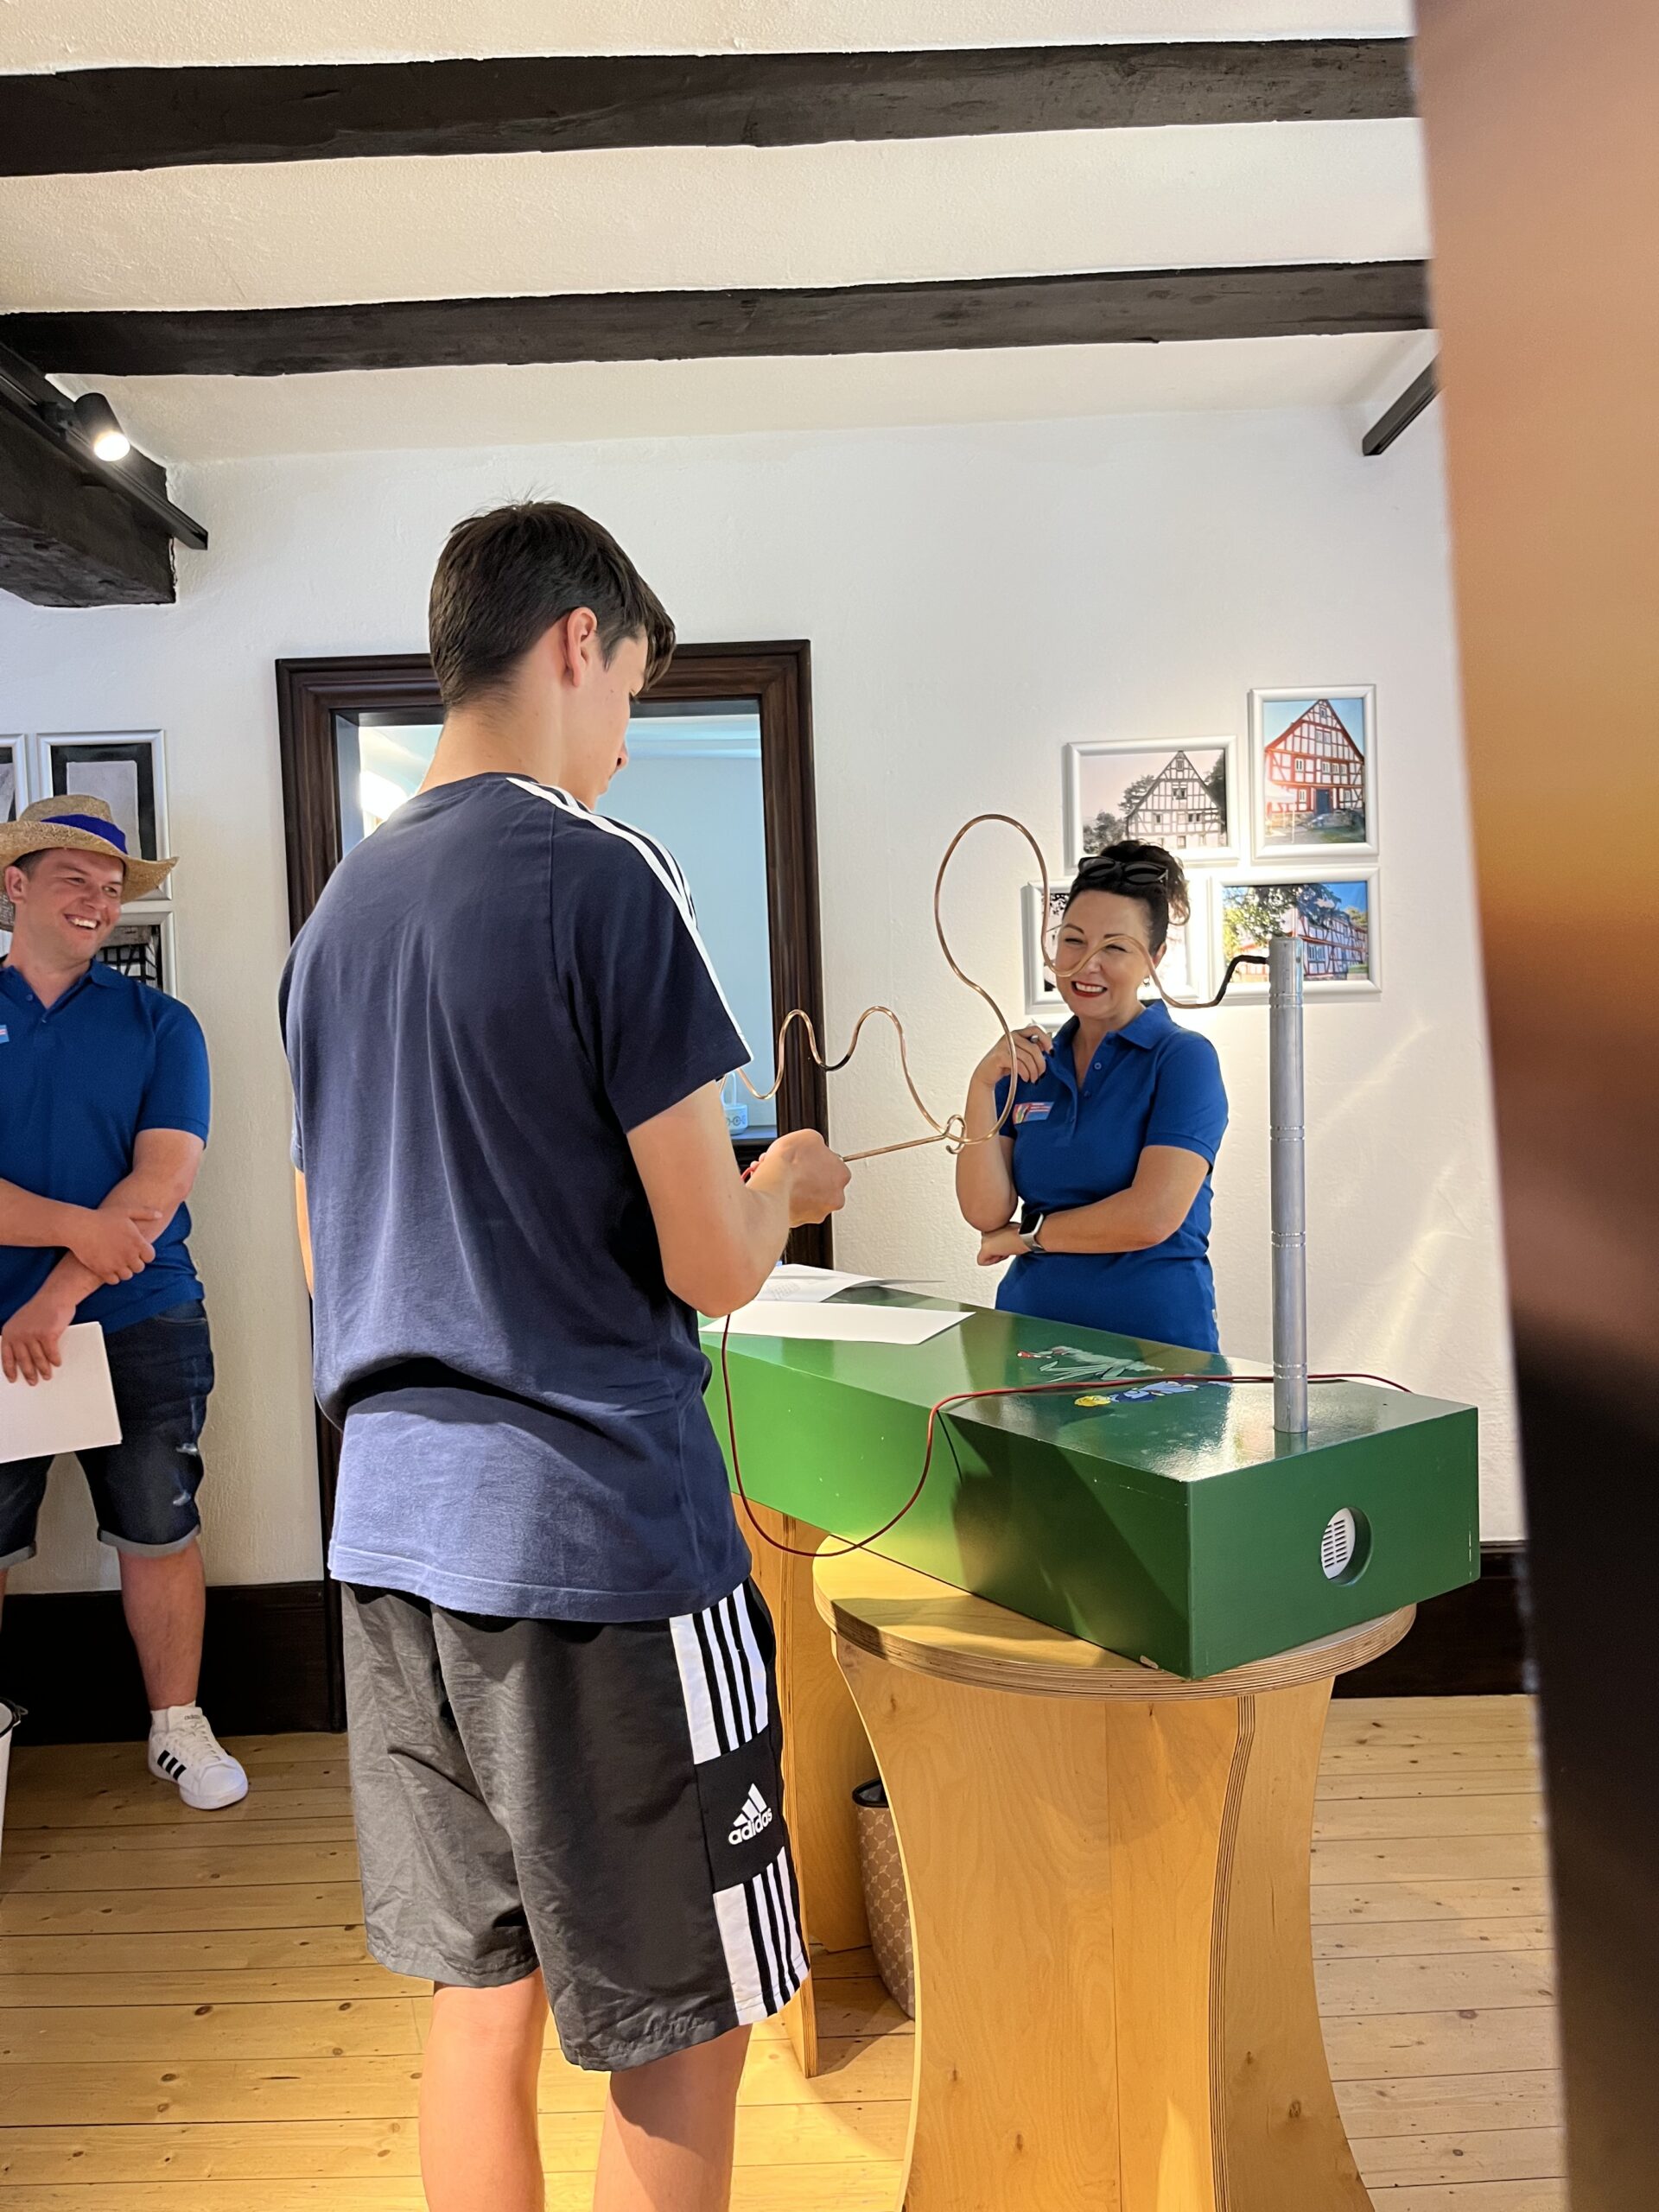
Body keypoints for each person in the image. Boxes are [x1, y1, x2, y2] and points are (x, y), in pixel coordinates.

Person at [280, 502, 849, 2212]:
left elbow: (325, 1253)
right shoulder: (603, 873)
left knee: (485, 1994)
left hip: (392, 1538)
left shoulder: (338, 914)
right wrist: (785, 1184)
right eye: (630, 698)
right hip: (600, 1545)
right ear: (577, 641)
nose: (623, 742)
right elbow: (710, 1260)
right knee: (689, 2021)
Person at [0, 798, 246, 1810]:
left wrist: (58, 1293)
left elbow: (160, 1183)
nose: (99, 902)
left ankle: (176, 1727)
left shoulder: (161, 1023)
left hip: (141, 1315)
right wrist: (76, 1228)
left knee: (159, 1524)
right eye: (76, 881)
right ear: (15, 885)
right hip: (2, 1330)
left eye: (113, 889)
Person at [955, 841, 1229, 1353]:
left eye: (1115, 948)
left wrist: (1029, 1236)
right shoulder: (1031, 1063)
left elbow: (1151, 1216)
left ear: (1154, 959)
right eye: (1074, 940)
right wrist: (981, 1085)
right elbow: (985, 1212)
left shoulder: (1182, 1059)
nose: (1087, 964)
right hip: (1030, 1339)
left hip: (1155, 1347)